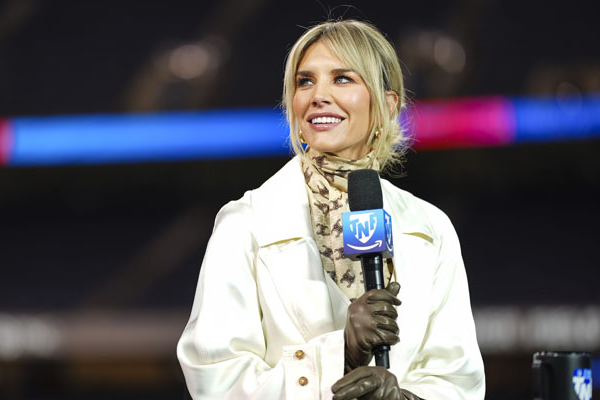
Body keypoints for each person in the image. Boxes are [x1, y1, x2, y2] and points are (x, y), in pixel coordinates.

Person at [177, 19, 485, 399]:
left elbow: (457, 380)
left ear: (387, 104)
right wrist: (340, 354)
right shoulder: (246, 223)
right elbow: (215, 379)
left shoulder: (430, 228)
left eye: (342, 78)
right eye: (305, 81)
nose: (318, 95)